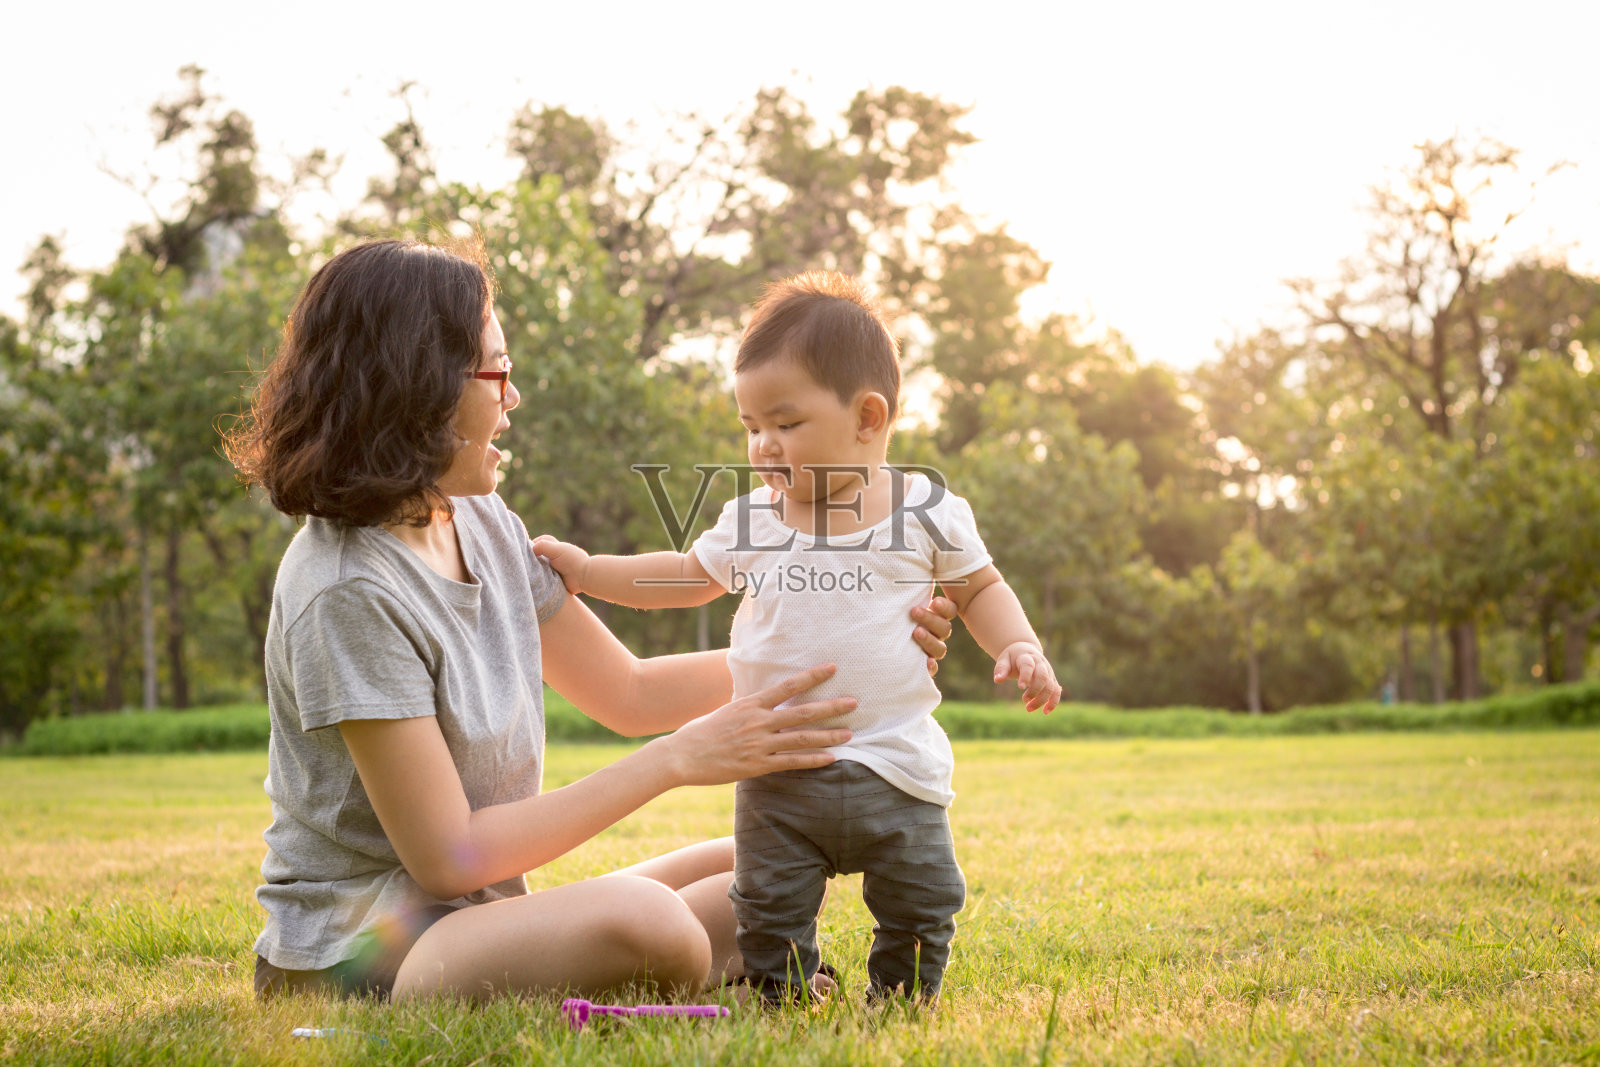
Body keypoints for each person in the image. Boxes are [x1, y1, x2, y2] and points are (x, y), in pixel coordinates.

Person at [223, 238, 958, 1003]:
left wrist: (857, 649)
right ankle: (673, 978)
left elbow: (628, 691)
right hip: (364, 956)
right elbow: (449, 855)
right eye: (497, 372)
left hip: (477, 918)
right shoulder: (346, 590)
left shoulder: (481, 520)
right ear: (418, 386)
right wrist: (676, 759)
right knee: (657, 923)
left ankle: (674, 971)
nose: (513, 397)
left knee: (762, 869)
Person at [533, 271, 1062, 1003]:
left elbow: (981, 589)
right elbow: (686, 573)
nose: (762, 446)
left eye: (784, 424)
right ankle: (782, 991)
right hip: (779, 768)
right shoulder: (755, 518)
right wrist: (590, 570)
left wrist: (1019, 645)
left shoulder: (927, 509)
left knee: (923, 894)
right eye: (750, 427)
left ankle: (902, 994)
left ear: (868, 418)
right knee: (769, 902)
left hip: (895, 764)